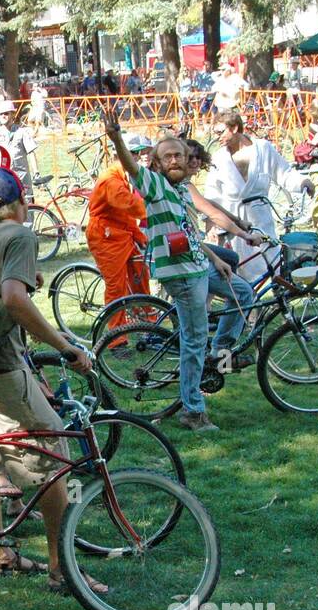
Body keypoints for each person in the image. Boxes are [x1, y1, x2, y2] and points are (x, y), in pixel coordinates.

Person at [0, 167, 106, 594]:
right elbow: (13, 300)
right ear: (22, 199)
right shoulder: (20, 235)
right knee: (56, 453)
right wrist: (65, 347)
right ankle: (62, 569)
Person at [103, 111, 263, 433]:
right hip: (182, 275)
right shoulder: (156, 186)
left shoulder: (179, 190)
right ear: (158, 164)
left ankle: (220, 353)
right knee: (192, 341)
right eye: (168, 156)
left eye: (179, 154)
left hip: (199, 266)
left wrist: (214, 259)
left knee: (243, 293)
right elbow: (133, 168)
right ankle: (192, 410)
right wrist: (117, 137)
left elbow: (188, 232)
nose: (175, 160)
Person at [204, 111, 312, 281]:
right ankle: (250, 306)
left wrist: (302, 182)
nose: (217, 138)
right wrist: (210, 223)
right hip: (234, 224)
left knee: (274, 267)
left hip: (262, 219)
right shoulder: (218, 158)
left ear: (234, 128)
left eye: (220, 132)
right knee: (240, 273)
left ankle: (277, 304)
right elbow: (212, 195)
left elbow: (283, 172)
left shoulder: (263, 149)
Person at [87, 132, 152, 341]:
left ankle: (150, 325)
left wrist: (137, 233)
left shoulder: (123, 176)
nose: (143, 158)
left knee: (140, 274)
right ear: (129, 155)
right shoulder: (111, 180)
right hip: (106, 238)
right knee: (116, 289)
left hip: (122, 234)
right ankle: (116, 339)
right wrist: (154, 212)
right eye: (139, 154)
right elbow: (128, 204)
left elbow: (123, 214)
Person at [0, 100, 40, 194]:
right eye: (1, 113)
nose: (3, 116)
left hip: (22, 176)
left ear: (13, 114)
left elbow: (31, 152)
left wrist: (36, 172)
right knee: (9, 205)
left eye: (6, 113)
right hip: (5, 177)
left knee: (27, 204)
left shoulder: (22, 132)